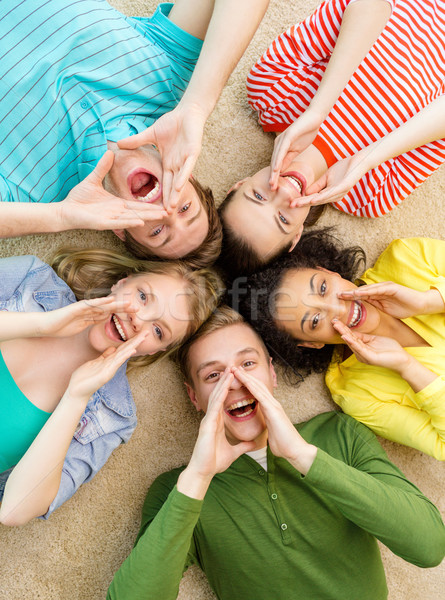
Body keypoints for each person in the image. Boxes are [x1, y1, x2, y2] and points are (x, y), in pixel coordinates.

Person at [106, 306, 445, 600]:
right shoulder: (177, 491)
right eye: (214, 375)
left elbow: (429, 546)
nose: (235, 383)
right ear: (194, 397)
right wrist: (197, 478)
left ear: (271, 372)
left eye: (247, 364)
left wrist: (304, 456)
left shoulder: (340, 434)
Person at [0, 0, 269, 267]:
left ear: (121, 230)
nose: (167, 213)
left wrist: (61, 216)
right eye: (186, 208)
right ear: (189, 177)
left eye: (157, 232)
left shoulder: (31, 194)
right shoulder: (169, 77)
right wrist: (197, 106)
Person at [218, 0, 445, 275]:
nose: (286, 193)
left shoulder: (270, 93)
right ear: (296, 237)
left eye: (258, 195)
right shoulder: (370, 198)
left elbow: (373, 6)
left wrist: (317, 110)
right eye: (282, 218)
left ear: (238, 185)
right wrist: (367, 159)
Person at [0, 248, 222, 525]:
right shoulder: (31, 279)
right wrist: (42, 325)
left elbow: (13, 511)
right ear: (122, 282)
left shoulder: (113, 418)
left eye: (157, 331)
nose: (138, 319)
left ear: (155, 351)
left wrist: (75, 397)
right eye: (142, 296)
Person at [237, 230, 445, 460]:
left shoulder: (407, 258)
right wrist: (408, 367)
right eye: (315, 321)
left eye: (323, 288)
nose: (339, 310)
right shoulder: (355, 394)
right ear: (312, 343)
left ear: (327, 271)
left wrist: (427, 302)